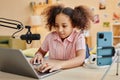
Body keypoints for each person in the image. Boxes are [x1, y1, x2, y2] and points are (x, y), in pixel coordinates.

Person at [30, 4, 93, 73]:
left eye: (64, 26)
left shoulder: (79, 37)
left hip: (72, 72)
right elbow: (40, 52)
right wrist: (38, 55)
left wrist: (59, 65)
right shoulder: (50, 37)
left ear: (73, 24)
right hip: (53, 71)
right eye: (57, 26)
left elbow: (80, 59)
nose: (59, 30)